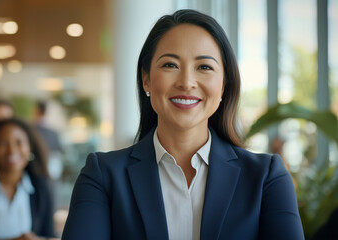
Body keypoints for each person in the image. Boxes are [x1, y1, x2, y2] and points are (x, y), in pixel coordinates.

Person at [62, 9, 304, 240]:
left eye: (204, 67)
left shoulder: (266, 178)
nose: (187, 82)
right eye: (170, 65)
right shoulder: (102, 176)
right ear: (146, 79)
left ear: (223, 85)